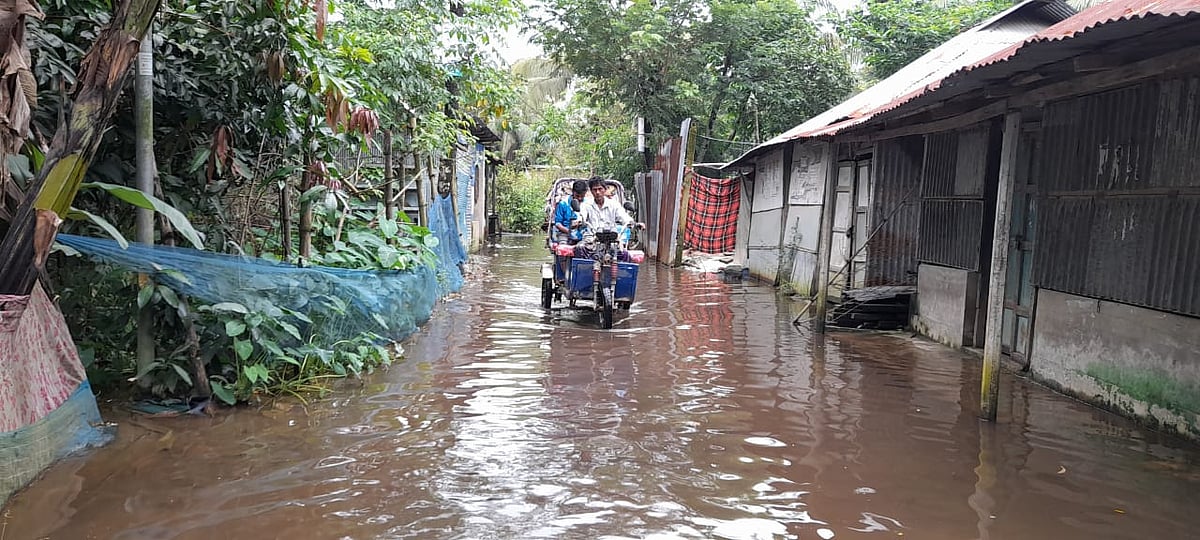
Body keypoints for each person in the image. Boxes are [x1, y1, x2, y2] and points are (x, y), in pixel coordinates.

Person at [576, 177, 644, 258]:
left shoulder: (614, 204)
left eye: (600, 189)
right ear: (591, 191)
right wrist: (579, 221)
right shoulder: (586, 204)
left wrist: (635, 223)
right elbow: (581, 216)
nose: (597, 192)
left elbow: (624, 217)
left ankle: (621, 270)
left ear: (605, 189)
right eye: (594, 190)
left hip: (612, 239)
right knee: (579, 248)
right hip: (592, 238)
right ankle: (582, 270)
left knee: (624, 254)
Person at [552, 180, 588, 245]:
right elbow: (558, 223)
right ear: (573, 192)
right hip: (565, 233)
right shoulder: (563, 204)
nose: (579, 198)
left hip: (583, 234)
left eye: (582, 196)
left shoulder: (588, 204)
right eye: (577, 196)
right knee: (563, 247)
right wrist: (568, 231)